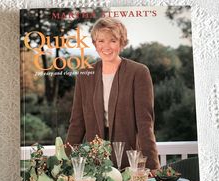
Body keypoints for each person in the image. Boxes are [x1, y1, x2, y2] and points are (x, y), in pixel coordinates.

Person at [66, 17, 160, 170]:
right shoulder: (85, 74)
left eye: (113, 41)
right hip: (94, 163)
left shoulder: (138, 72)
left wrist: (153, 167)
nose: (106, 46)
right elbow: (77, 124)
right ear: (95, 44)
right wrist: (64, 163)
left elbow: (145, 124)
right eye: (101, 41)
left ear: (122, 43)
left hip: (129, 164)